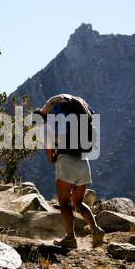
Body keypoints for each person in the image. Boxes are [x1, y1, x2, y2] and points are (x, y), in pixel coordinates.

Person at [35, 95, 105, 248]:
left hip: (66, 162)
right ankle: (96, 229)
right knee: (78, 202)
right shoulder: (73, 119)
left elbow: (49, 153)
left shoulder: (46, 127)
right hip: (83, 161)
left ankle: (70, 238)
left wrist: (52, 157)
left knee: (64, 202)